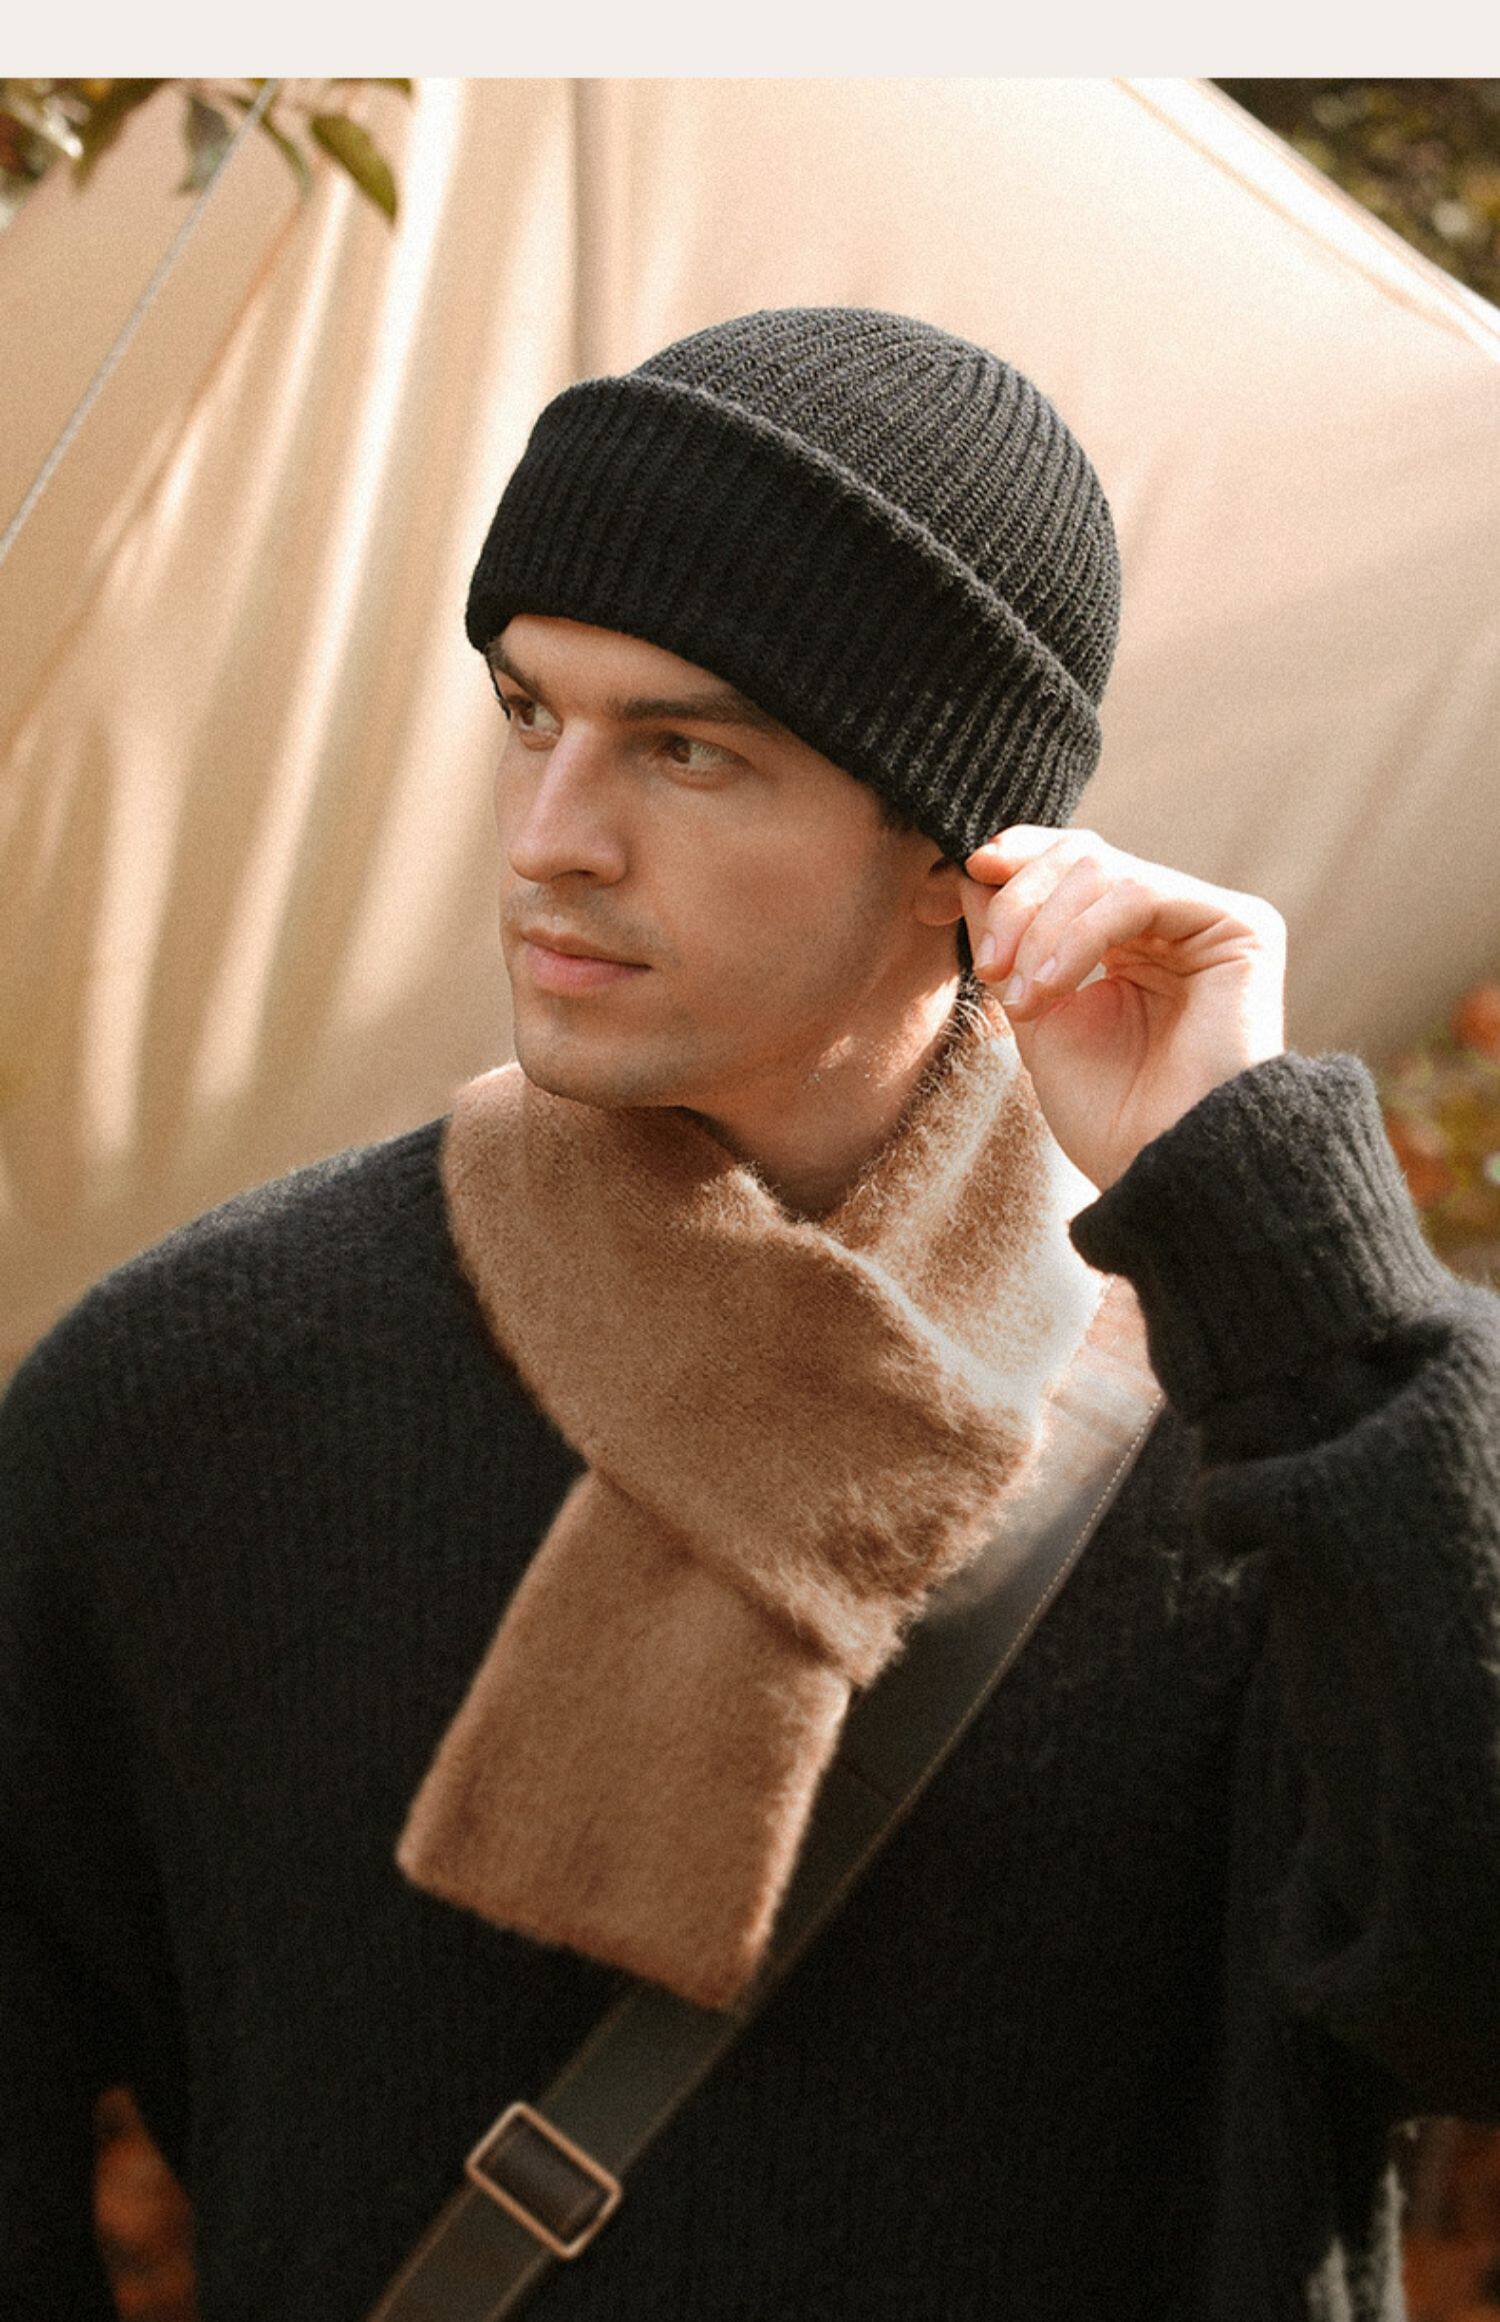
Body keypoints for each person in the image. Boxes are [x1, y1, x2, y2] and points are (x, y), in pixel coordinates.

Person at [2, 304, 1497, 2322]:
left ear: (956, 846)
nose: (552, 838)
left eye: (686, 749)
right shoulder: (187, 1400)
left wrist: (1267, 1221)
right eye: (532, 713)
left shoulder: (1282, 1418)